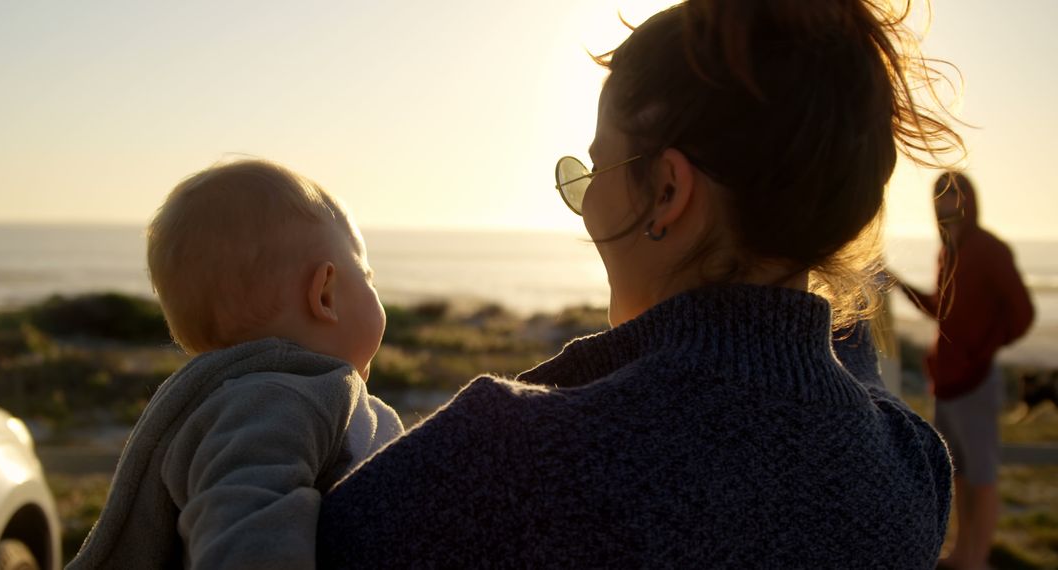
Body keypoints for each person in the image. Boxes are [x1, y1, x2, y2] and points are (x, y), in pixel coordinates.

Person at [317, 1, 959, 566]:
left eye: (598, 169)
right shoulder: (911, 473)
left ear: (669, 192)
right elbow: (848, 368)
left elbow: (299, 544)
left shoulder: (504, 460)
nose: (587, 203)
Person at [67, 160, 403, 569]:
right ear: (325, 295)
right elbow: (245, 524)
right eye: (367, 277)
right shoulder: (277, 399)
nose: (374, 291)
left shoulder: (253, 396)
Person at [895, 172, 1034, 570]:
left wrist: (982, 349)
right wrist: (898, 284)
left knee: (982, 473)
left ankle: (977, 558)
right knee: (958, 472)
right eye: (939, 198)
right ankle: (962, 552)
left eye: (953, 197)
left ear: (969, 201)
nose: (946, 206)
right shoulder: (947, 252)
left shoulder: (990, 249)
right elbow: (942, 311)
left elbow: (1022, 315)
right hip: (947, 380)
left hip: (975, 380)